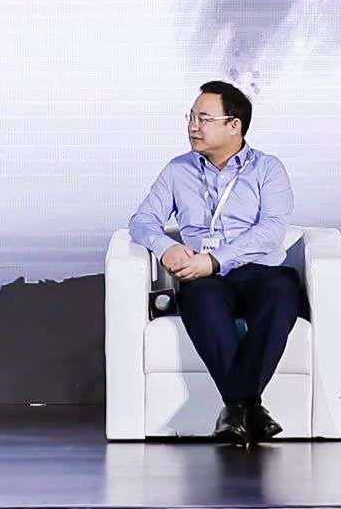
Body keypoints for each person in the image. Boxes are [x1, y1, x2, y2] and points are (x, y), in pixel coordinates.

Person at [127, 80, 303, 442]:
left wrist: (216, 260)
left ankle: (236, 408)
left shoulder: (267, 169)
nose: (193, 126)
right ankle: (250, 409)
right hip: (204, 278)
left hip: (260, 270)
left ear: (234, 125)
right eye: (191, 117)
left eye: (204, 119)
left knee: (282, 291)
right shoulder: (177, 170)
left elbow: (271, 230)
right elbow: (142, 220)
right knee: (201, 296)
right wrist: (165, 247)